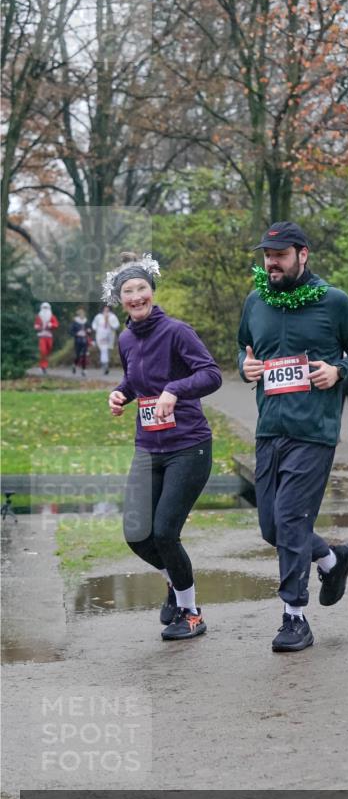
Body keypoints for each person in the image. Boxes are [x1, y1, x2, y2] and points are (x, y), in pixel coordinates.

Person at [238, 221, 348, 653]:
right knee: (271, 525)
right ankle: (334, 560)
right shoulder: (255, 302)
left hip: (314, 430)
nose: (271, 262)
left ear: (303, 254)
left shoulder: (333, 302)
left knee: (292, 519)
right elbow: (244, 352)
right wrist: (246, 369)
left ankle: (294, 617)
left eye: (279, 255)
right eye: (266, 255)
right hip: (269, 428)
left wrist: (338, 371)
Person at [104, 251, 222, 641]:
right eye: (128, 291)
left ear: (152, 291)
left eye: (141, 289)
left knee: (165, 532)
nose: (136, 296)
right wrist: (120, 395)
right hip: (148, 447)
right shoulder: (124, 338)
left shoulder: (176, 331)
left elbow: (211, 374)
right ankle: (175, 582)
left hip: (188, 446)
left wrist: (176, 389)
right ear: (119, 299)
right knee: (137, 534)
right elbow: (133, 381)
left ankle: (190, 612)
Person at [92, 304, 120, 374]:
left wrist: (109, 321)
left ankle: (105, 363)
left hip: (110, 336)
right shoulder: (98, 317)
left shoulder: (112, 317)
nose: (106, 311)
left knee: (108, 350)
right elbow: (94, 325)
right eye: (105, 310)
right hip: (101, 336)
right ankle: (105, 366)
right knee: (103, 350)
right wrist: (96, 329)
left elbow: (116, 326)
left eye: (107, 310)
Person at [34, 302, 59, 375]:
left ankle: (44, 364)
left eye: (46, 308)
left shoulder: (52, 316)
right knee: (43, 350)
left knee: (48, 349)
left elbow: (56, 324)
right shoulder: (39, 316)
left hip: (49, 336)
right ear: (41, 308)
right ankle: (43, 366)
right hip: (42, 336)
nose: (45, 309)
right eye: (44, 308)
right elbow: (36, 325)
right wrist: (38, 327)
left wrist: (51, 325)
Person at [69, 307, 92, 377]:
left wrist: (89, 331)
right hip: (78, 340)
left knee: (84, 355)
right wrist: (76, 333)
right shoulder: (75, 322)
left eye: (83, 314)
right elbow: (70, 331)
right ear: (79, 315)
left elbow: (90, 329)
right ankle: (74, 365)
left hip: (85, 340)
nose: (82, 315)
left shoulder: (86, 321)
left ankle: (84, 370)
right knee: (78, 355)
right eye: (81, 314)